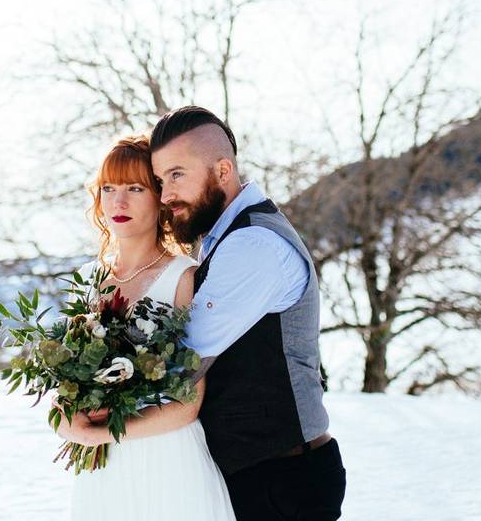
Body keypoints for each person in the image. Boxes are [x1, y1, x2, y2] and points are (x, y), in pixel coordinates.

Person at [62, 108, 347, 520]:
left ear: (223, 170)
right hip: (255, 473)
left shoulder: (252, 245)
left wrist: (94, 410)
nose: (166, 194)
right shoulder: (219, 238)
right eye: (159, 181)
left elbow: (182, 361)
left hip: (283, 478)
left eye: (176, 175)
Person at [61, 135, 237, 521]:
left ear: (159, 198)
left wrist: (99, 433)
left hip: (168, 463)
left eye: (134, 188)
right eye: (108, 188)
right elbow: (65, 386)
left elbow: (187, 405)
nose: (118, 202)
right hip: (102, 473)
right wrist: (66, 417)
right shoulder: (87, 280)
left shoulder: (183, 278)